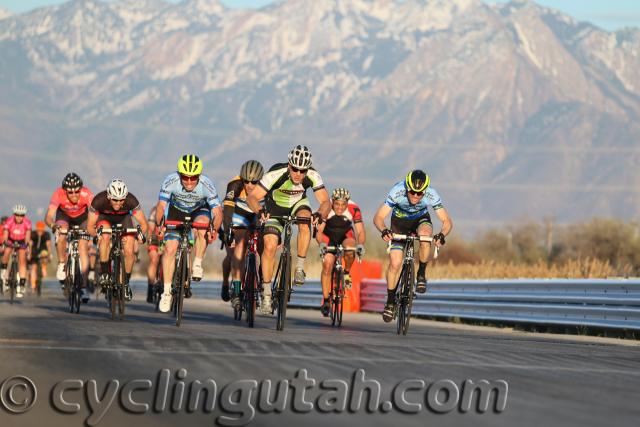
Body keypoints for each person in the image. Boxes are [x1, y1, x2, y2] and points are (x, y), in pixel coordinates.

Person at [247, 145, 330, 314]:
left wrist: (320, 214)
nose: (298, 174)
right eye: (295, 169)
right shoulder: (275, 174)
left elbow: (325, 201)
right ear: (289, 165)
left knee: (305, 219)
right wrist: (260, 211)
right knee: (269, 246)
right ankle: (267, 295)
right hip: (274, 210)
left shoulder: (313, 175)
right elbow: (252, 197)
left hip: (297, 205)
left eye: (302, 170)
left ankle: (299, 267)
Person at [372, 169, 452, 323]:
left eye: (419, 193)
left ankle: (421, 273)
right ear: (406, 187)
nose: (415, 196)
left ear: (425, 191)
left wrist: (442, 234)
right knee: (395, 263)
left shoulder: (431, 194)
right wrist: (383, 230)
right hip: (399, 223)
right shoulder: (397, 191)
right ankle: (390, 302)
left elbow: (447, 221)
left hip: (421, 220)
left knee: (425, 237)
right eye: (412, 192)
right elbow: (379, 217)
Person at [155, 154, 222, 313]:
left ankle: (197, 263)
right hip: (176, 211)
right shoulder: (171, 181)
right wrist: (160, 224)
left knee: (203, 225)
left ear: (199, 176)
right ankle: (166, 292)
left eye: (194, 178)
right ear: (179, 174)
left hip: (199, 210)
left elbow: (217, 212)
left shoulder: (207, 184)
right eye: (186, 177)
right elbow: (160, 206)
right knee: (170, 249)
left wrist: (215, 228)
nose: (190, 182)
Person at [87, 179, 148, 301]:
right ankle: (105, 273)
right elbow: (90, 226)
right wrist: (96, 235)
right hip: (105, 219)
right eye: (115, 199)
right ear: (109, 196)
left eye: (121, 200)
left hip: (124, 219)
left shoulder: (131, 200)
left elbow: (143, 223)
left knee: (129, 250)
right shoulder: (99, 200)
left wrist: (140, 235)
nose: (118, 203)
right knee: (104, 236)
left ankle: (125, 283)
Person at [221, 160, 265, 310]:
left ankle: (262, 279)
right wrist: (227, 230)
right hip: (238, 215)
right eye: (246, 181)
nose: (249, 185)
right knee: (239, 246)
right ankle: (237, 290)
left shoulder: (267, 186)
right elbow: (227, 209)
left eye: (254, 182)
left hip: (256, 215)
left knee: (263, 245)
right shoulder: (234, 184)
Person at [316, 188, 366, 316]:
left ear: (347, 203)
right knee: (327, 263)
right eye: (337, 204)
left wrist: (360, 245)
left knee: (350, 250)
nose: (339, 207)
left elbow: (360, 231)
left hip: (345, 234)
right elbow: (319, 231)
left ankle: (346, 273)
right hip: (328, 236)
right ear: (332, 201)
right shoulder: (326, 209)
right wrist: (321, 244)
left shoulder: (354, 208)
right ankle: (326, 300)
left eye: (343, 204)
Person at [45, 172, 93, 301]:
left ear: (81, 189)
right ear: (65, 191)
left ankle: (83, 286)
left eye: (77, 191)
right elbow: (49, 216)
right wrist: (53, 226)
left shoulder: (87, 193)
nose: (74, 195)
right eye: (70, 192)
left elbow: (95, 213)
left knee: (83, 248)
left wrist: (94, 228)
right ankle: (62, 263)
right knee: (61, 236)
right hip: (64, 217)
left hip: (83, 218)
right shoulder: (58, 194)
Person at [1, 205, 32, 297]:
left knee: (22, 259)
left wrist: (26, 245)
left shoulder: (27, 223)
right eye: (17, 215)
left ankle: (22, 283)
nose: (19, 217)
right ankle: (3, 270)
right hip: (10, 239)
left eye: (21, 215)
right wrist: (5, 242)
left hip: (22, 241)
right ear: (14, 214)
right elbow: (5, 235)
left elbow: (27, 237)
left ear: (24, 216)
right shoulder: (9, 221)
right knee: (6, 252)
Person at [28, 221, 52, 291]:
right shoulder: (33, 234)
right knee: (33, 268)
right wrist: (29, 253)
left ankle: (43, 267)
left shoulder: (46, 234)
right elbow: (30, 244)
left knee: (44, 255)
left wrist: (50, 254)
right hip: (34, 251)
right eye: (38, 230)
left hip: (43, 250)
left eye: (41, 230)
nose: (40, 232)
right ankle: (33, 285)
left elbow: (48, 245)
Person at [145, 205, 162, 303]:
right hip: (155, 236)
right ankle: (150, 287)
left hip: (169, 237)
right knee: (154, 259)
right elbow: (150, 229)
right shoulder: (155, 210)